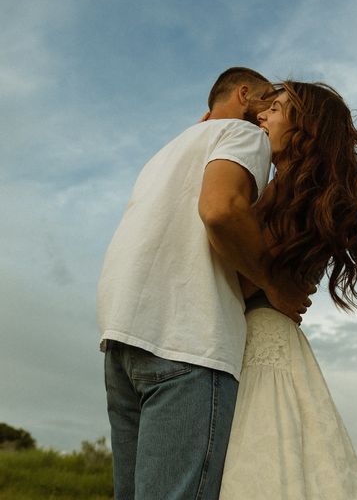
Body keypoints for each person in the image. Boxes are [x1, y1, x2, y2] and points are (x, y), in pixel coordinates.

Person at [96, 68, 312, 500]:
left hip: (121, 340)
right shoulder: (244, 136)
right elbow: (220, 210)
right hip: (188, 341)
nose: (266, 116)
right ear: (244, 94)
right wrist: (275, 285)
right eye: (267, 102)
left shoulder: (167, 152)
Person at [219, 81, 357, 499]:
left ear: (307, 128)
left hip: (261, 341)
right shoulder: (292, 191)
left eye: (277, 110)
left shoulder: (298, 197)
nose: (261, 116)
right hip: (258, 336)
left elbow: (243, 282)